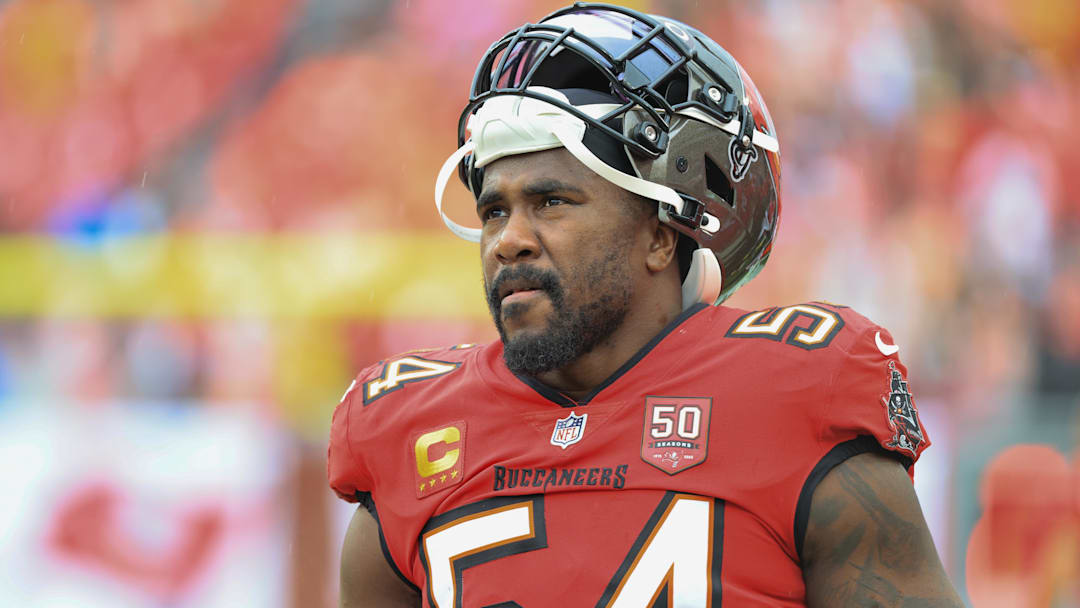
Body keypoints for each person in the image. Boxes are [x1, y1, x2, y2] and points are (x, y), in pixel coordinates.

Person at [328, 4, 964, 606]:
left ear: (660, 235)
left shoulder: (798, 392)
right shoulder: (408, 429)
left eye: (552, 202)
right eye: (495, 210)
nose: (509, 241)